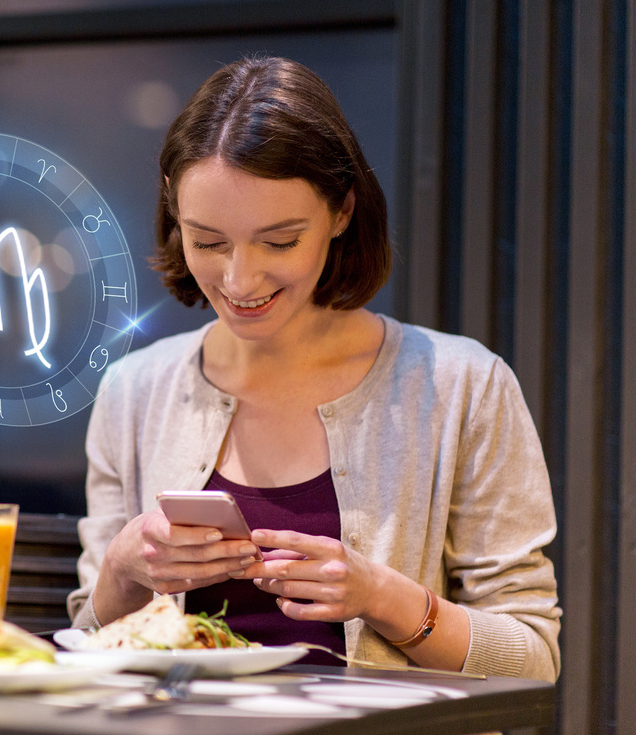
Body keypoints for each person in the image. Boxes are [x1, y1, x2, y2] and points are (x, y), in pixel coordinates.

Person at [68, 56, 561, 681]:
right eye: (209, 242)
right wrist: (119, 570)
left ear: (342, 212)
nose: (240, 279)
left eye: (280, 241)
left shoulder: (461, 386)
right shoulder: (134, 392)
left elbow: (533, 661)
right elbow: (84, 652)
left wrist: (384, 598)